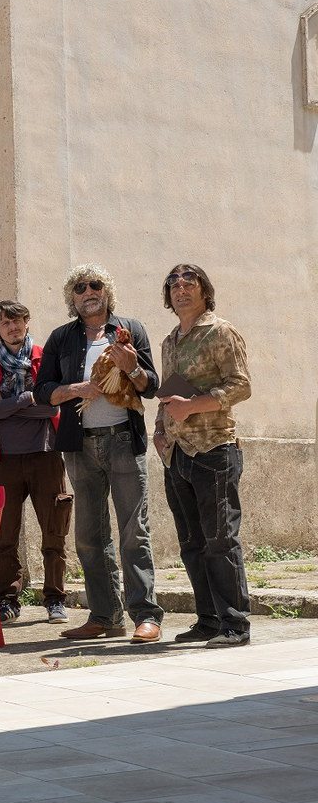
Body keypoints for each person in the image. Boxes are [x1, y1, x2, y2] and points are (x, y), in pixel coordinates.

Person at [34, 264, 164, 643]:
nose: (88, 291)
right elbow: (43, 391)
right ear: (71, 298)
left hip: (124, 439)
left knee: (132, 532)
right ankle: (105, 616)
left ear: (106, 291)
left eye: (95, 285)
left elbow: (151, 386)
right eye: (80, 287)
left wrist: (132, 367)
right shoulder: (61, 338)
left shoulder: (130, 330)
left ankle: (146, 615)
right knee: (90, 536)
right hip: (80, 445)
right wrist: (77, 389)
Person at [154, 264, 252, 647]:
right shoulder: (169, 341)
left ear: (204, 290)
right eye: (173, 284)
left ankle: (235, 623)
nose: (180, 289)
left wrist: (193, 406)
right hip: (177, 454)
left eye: (188, 282)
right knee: (192, 542)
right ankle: (209, 620)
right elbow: (166, 397)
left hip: (214, 448)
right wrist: (160, 433)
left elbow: (241, 385)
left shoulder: (221, 331)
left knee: (220, 539)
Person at [0, 301, 70, 624]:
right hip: (5, 461)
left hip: (45, 455)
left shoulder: (43, 358)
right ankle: (6, 601)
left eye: (18, 321)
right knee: (4, 535)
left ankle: (55, 599)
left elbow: (51, 409)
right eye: (6, 323)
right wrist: (25, 399)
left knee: (54, 528)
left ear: (27, 323)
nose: (13, 327)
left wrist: (8, 404)